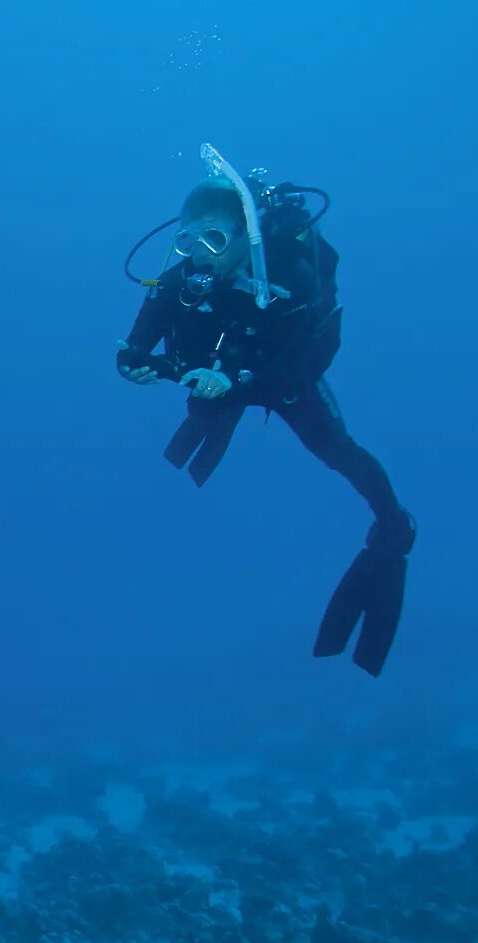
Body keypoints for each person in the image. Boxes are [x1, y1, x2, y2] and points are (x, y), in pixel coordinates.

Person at [116, 169, 414, 675]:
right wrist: (139, 366)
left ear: (244, 234)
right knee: (209, 406)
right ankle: (212, 414)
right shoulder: (179, 282)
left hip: (284, 381)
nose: (199, 252)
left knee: (337, 450)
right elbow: (133, 346)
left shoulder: (290, 274)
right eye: (187, 240)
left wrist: (232, 380)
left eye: (213, 237)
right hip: (216, 380)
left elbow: (288, 364)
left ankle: (394, 529)